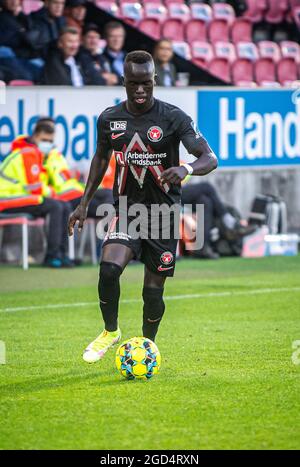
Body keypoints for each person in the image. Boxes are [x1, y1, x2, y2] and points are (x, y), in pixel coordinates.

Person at [68, 50, 217, 363]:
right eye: (133, 83)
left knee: (153, 292)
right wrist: (83, 204)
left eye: (146, 84)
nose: (140, 90)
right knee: (109, 270)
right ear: (123, 82)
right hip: (126, 211)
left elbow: (209, 158)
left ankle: (148, 348)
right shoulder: (109, 119)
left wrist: (186, 169)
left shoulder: (174, 118)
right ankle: (110, 331)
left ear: (154, 81)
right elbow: (100, 158)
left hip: (163, 216)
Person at [0, 119, 72, 268]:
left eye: (50, 141)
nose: (47, 143)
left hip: (16, 196)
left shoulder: (34, 153)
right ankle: (52, 256)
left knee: (64, 205)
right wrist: (52, 192)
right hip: (6, 198)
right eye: (44, 139)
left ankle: (62, 254)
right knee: (55, 206)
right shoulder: (29, 152)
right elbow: (35, 189)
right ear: (35, 137)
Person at [181, 181, 256, 259]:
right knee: (207, 187)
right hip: (171, 192)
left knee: (205, 202)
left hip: (178, 190)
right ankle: (231, 224)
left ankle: (202, 248)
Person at [0, 0, 43, 81]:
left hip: (27, 57)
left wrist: (21, 15)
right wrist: (20, 32)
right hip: (12, 58)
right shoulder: (3, 18)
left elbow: (32, 37)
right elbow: (7, 40)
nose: (13, 2)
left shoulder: (21, 17)